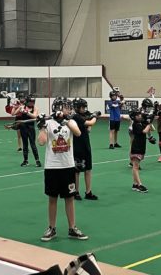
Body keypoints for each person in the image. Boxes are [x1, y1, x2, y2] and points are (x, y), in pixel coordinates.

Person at [37, 97, 88, 242]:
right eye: (66, 107)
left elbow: (78, 133)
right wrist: (41, 125)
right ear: (58, 108)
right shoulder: (48, 123)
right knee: (52, 198)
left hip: (68, 166)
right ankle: (51, 228)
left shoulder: (70, 122)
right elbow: (41, 142)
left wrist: (65, 120)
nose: (69, 109)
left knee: (69, 198)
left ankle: (72, 228)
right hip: (52, 167)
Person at [72, 98, 98, 201]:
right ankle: (75, 192)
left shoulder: (83, 115)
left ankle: (88, 192)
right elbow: (90, 123)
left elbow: (88, 129)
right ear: (77, 108)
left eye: (84, 107)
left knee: (88, 169)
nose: (84, 109)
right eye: (82, 107)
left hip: (86, 145)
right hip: (77, 146)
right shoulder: (75, 117)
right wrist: (95, 116)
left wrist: (91, 115)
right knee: (77, 171)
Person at [13, 94, 41, 167]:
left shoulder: (35, 108)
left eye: (33, 102)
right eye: (31, 102)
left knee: (33, 144)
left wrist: (27, 112)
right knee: (25, 145)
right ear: (27, 101)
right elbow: (13, 114)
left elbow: (35, 116)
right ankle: (25, 161)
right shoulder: (22, 107)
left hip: (31, 128)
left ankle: (37, 161)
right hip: (23, 127)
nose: (32, 103)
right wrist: (14, 107)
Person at [129, 109, 149, 193]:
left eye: (140, 114)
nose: (140, 116)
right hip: (136, 148)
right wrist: (149, 123)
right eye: (138, 115)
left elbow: (151, 129)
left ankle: (134, 184)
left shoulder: (140, 123)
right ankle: (139, 184)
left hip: (141, 147)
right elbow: (144, 131)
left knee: (136, 166)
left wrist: (149, 120)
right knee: (135, 167)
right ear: (134, 117)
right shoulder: (136, 124)